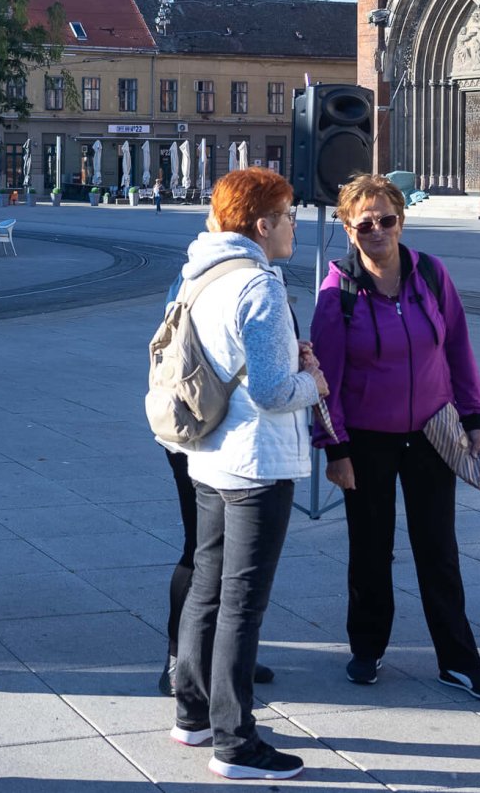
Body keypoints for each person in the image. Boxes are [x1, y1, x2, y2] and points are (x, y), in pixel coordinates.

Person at [310, 175, 480, 702]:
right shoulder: (337, 293)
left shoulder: (432, 276)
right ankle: (367, 647)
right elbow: (325, 382)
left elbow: (458, 347)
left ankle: (459, 661)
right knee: (370, 549)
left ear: (402, 221)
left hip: (431, 434)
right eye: (364, 224)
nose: (377, 230)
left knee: (439, 550)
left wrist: (473, 418)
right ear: (348, 230)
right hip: (366, 441)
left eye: (386, 219)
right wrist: (336, 450)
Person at [171, 169, 325, 782]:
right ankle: (235, 742)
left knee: (207, 589)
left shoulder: (204, 272)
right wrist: (312, 383)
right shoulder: (258, 285)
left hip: (209, 454)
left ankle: (192, 713)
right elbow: (270, 391)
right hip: (256, 461)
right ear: (263, 224)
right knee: (242, 603)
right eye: (288, 216)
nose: (294, 226)